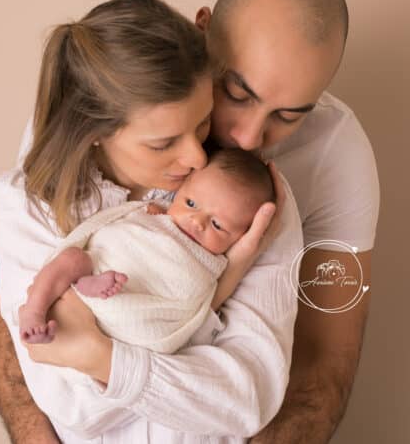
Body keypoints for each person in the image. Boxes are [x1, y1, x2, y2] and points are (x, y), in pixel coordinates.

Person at [0, 0, 380, 443]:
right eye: (236, 92)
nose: (249, 137)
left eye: (289, 115)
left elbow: (315, 366)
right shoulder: (95, 122)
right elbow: (30, 347)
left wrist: (104, 358)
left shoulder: (307, 180)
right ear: (203, 33)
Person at [18, 148, 275, 352]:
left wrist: (242, 254)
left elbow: (197, 305)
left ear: (241, 236)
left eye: (218, 225)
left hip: (139, 312)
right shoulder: (154, 211)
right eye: (191, 202)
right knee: (72, 258)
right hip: (99, 266)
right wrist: (153, 214)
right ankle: (34, 311)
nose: (196, 222)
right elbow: (121, 228)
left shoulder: (212, 263)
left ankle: (92, 290)